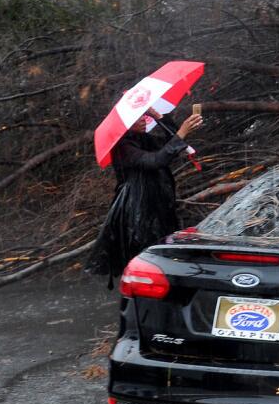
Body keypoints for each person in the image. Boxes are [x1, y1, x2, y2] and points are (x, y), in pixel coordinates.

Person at [87, 107, 203, 287]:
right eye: (137, 117)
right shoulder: (123, 146)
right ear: (125, 123)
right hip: (137, 209)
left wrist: (159, 117)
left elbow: (170, 143)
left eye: (143, 115)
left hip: (157, 202)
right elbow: (156, 161)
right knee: (147, 254)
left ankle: (164, 288)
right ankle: (146, 292)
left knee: (163, 250)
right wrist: (181, 133)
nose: (143, 120)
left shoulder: (142, 138)